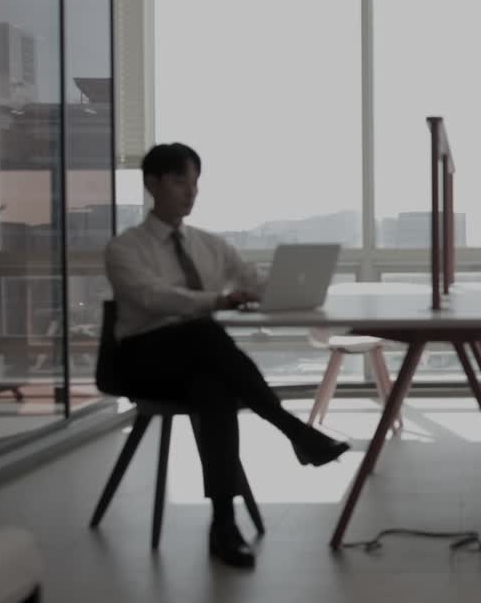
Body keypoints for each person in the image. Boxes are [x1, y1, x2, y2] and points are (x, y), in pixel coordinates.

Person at [104, 143, 350, 568]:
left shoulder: (210, 245)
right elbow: (153, 298)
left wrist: (286, 289)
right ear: (152, 183)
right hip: (142, 360)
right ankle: (294, 430)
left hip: (199, 362)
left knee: (213, 388)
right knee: (203, 331)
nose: (191, 191)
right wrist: (216, 300)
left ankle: (224, 525)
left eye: (195, 182)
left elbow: (250, 279)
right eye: (180, 180)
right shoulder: (125, 248)